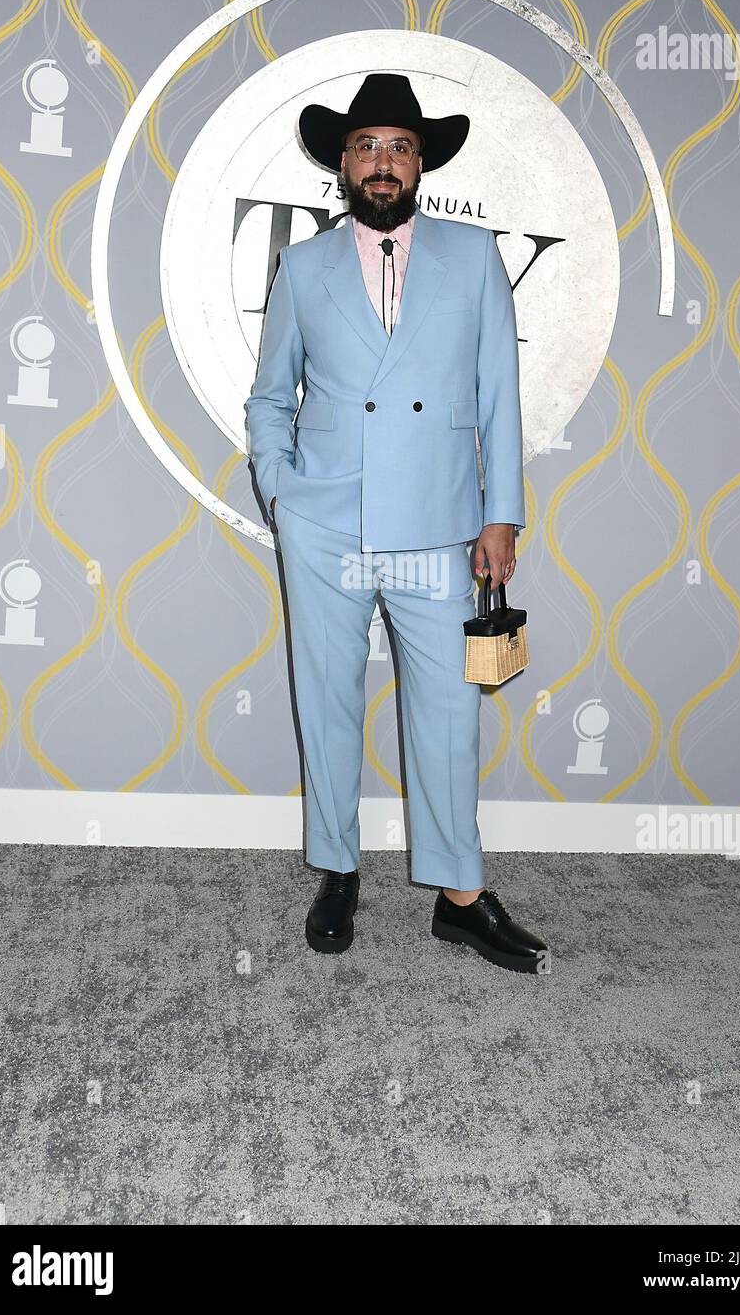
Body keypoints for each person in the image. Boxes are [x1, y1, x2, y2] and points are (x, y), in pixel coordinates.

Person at [245, 73, 547, 974]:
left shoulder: (473, 255)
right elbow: (270, 397)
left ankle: (459, 893)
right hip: (326, 522)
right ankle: (338, 869)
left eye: (401, 147)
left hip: (436, 524)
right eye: (368, 145)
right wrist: (282, 491)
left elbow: (501, 393)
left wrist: (503, 516)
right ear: (342, 162)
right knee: (327, 701)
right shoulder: (303, 267)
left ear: (422, 164)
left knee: (451, 713)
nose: (384, 162)